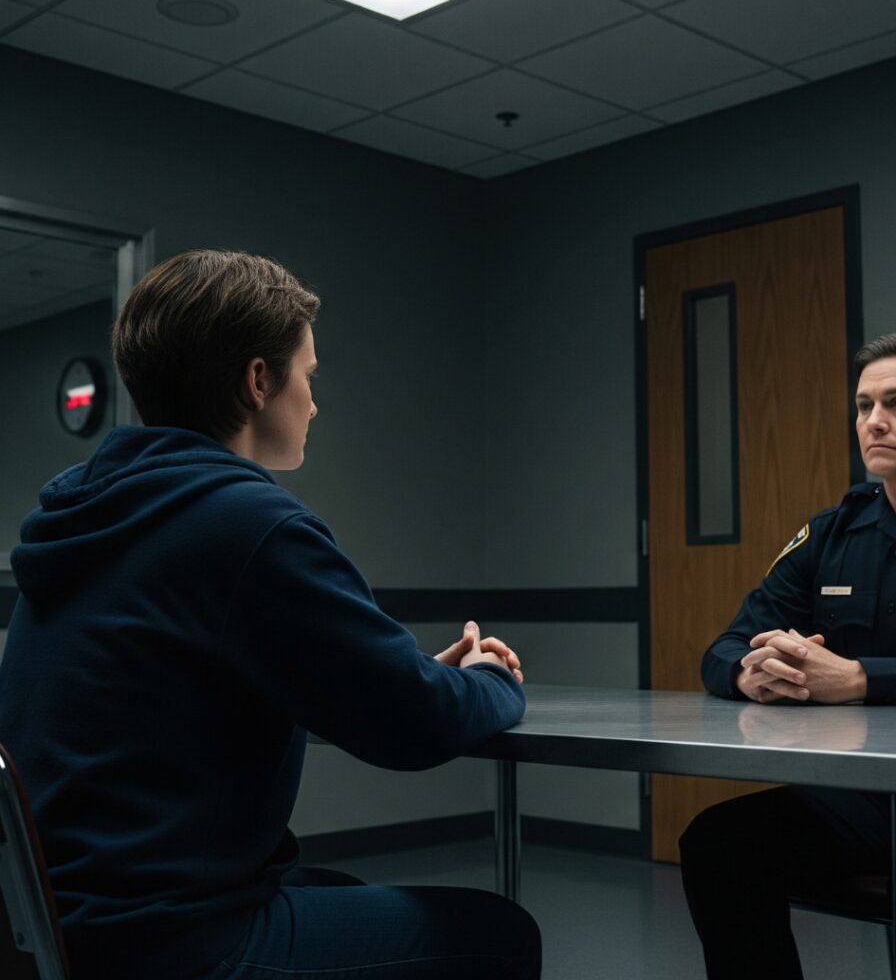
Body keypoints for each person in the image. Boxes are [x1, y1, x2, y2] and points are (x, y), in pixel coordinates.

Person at [0, 250, 541, 980]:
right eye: (308, 376)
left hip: (57, 927)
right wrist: (490, 679)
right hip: (173, 942)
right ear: (259, 381)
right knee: (500, 934)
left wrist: (396, 676)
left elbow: (195, 681)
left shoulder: (89, 513)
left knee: (343, 895)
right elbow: (417, 725)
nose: (313, 402)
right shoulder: (248, 524)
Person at [678, 331, 896, 979]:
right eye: (864, 406)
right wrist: (753, 674)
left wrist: (860, 679)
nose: (874, 422)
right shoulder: (835, 529)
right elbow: (724, 648)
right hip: (871, 795)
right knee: (720, 844)